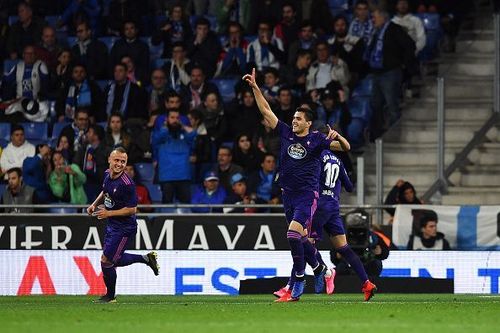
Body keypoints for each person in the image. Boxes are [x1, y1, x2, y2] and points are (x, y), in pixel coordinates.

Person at [242, 68, 350, 301]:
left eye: (298, 119)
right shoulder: (286, 133)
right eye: (293, 118)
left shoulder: (318, 139)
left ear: (308, 123)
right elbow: (266, 110)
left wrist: (338, 137)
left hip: (307, 196)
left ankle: (299, 278)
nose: (293, 121)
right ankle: (321, 268)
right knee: (299, 238)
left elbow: (345, 148)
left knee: (293, 235)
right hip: (287, 195)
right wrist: (255, 87)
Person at [86, 147, 160, 303]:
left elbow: (132, 209)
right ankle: (146, 259)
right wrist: (94, 204)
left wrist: (108, 213)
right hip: (113, 224)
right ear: (109, 160)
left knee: (106, 260)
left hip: (125, 228)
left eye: (123, 161)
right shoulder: (107, 174)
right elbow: (105, 191)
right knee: (112, 260)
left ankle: (110, 296)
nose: (119, 164)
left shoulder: (127, 184)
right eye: (117, 160)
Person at [365, 9, 415, 141]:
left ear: (383, 17)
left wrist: (403, 64)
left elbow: (409, 45)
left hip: (390, 73)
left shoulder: (395, 29)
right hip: (376, 73)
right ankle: (377, 135)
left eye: (374, 17)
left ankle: (395, 136)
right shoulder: (376, 32)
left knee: (392, 105)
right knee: (375, 104)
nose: (373, 20)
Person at [152, 109, 196, 204]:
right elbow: (156, 139)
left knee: (186, 206)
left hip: (183, 176)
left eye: (177, 118)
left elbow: (193, 134)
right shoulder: (160, 134)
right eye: (172, 118)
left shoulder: (184, 135)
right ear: (166, 119)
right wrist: (165, 126)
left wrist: (183, 125)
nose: (175, 120)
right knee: (167, 207)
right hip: (167, 177)